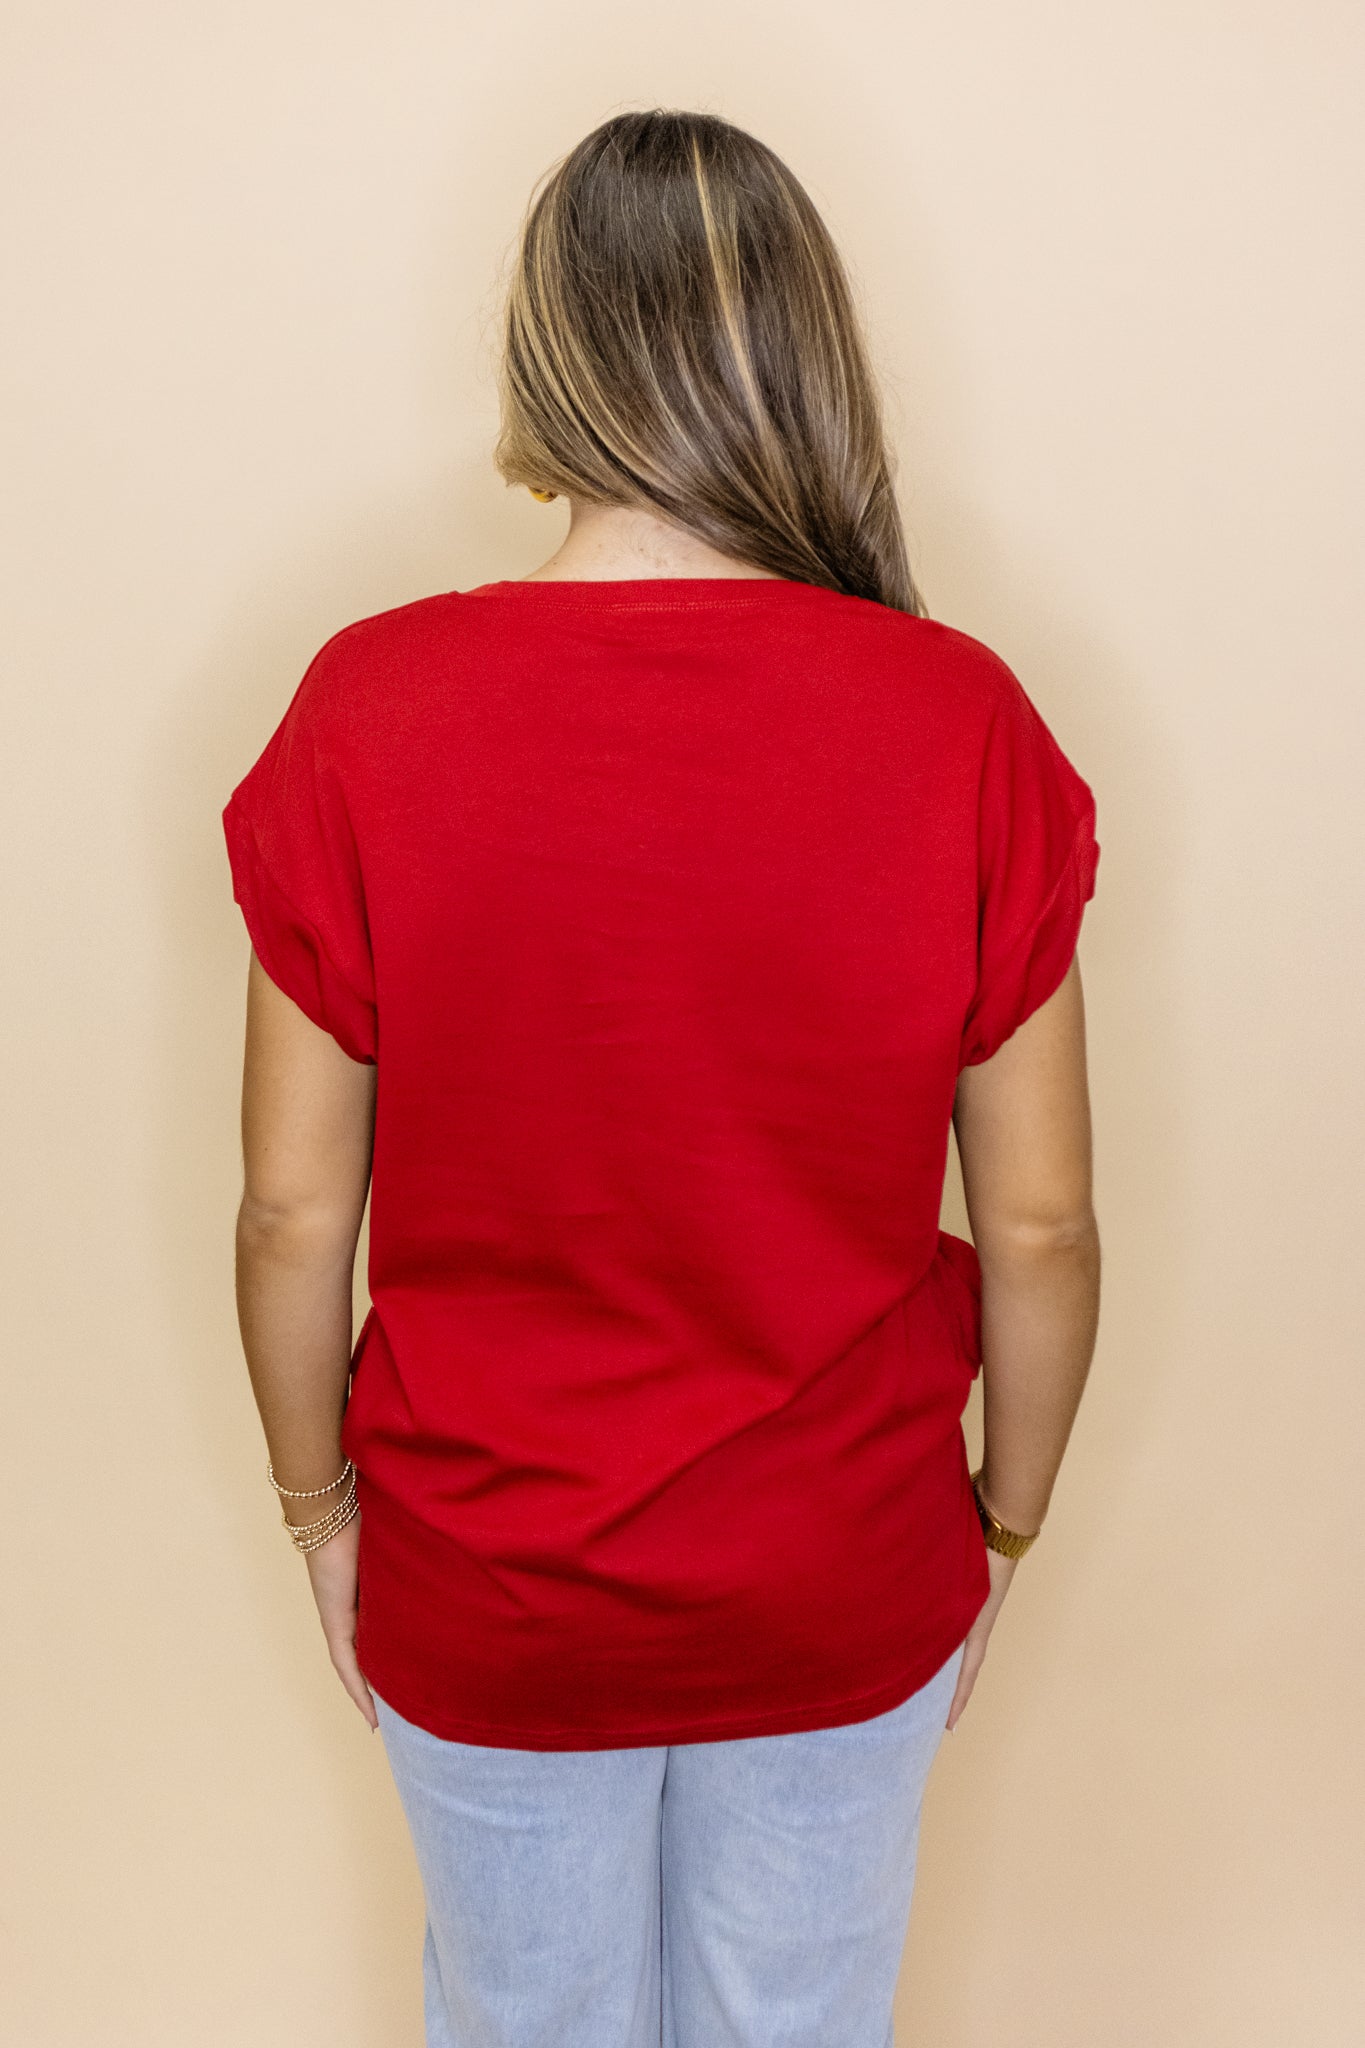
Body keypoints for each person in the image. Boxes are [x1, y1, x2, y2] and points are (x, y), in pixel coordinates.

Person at [224, 107, 1102, 2048]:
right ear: (804, 354)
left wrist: (317, 1512)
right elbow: (1036, 1224)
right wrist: (1002, 1529)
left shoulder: (365, 709)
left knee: (522, 2019)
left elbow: (295, 1207)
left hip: (490, 1572)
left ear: (543, 352)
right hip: (841, 1559)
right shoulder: (956, 718)